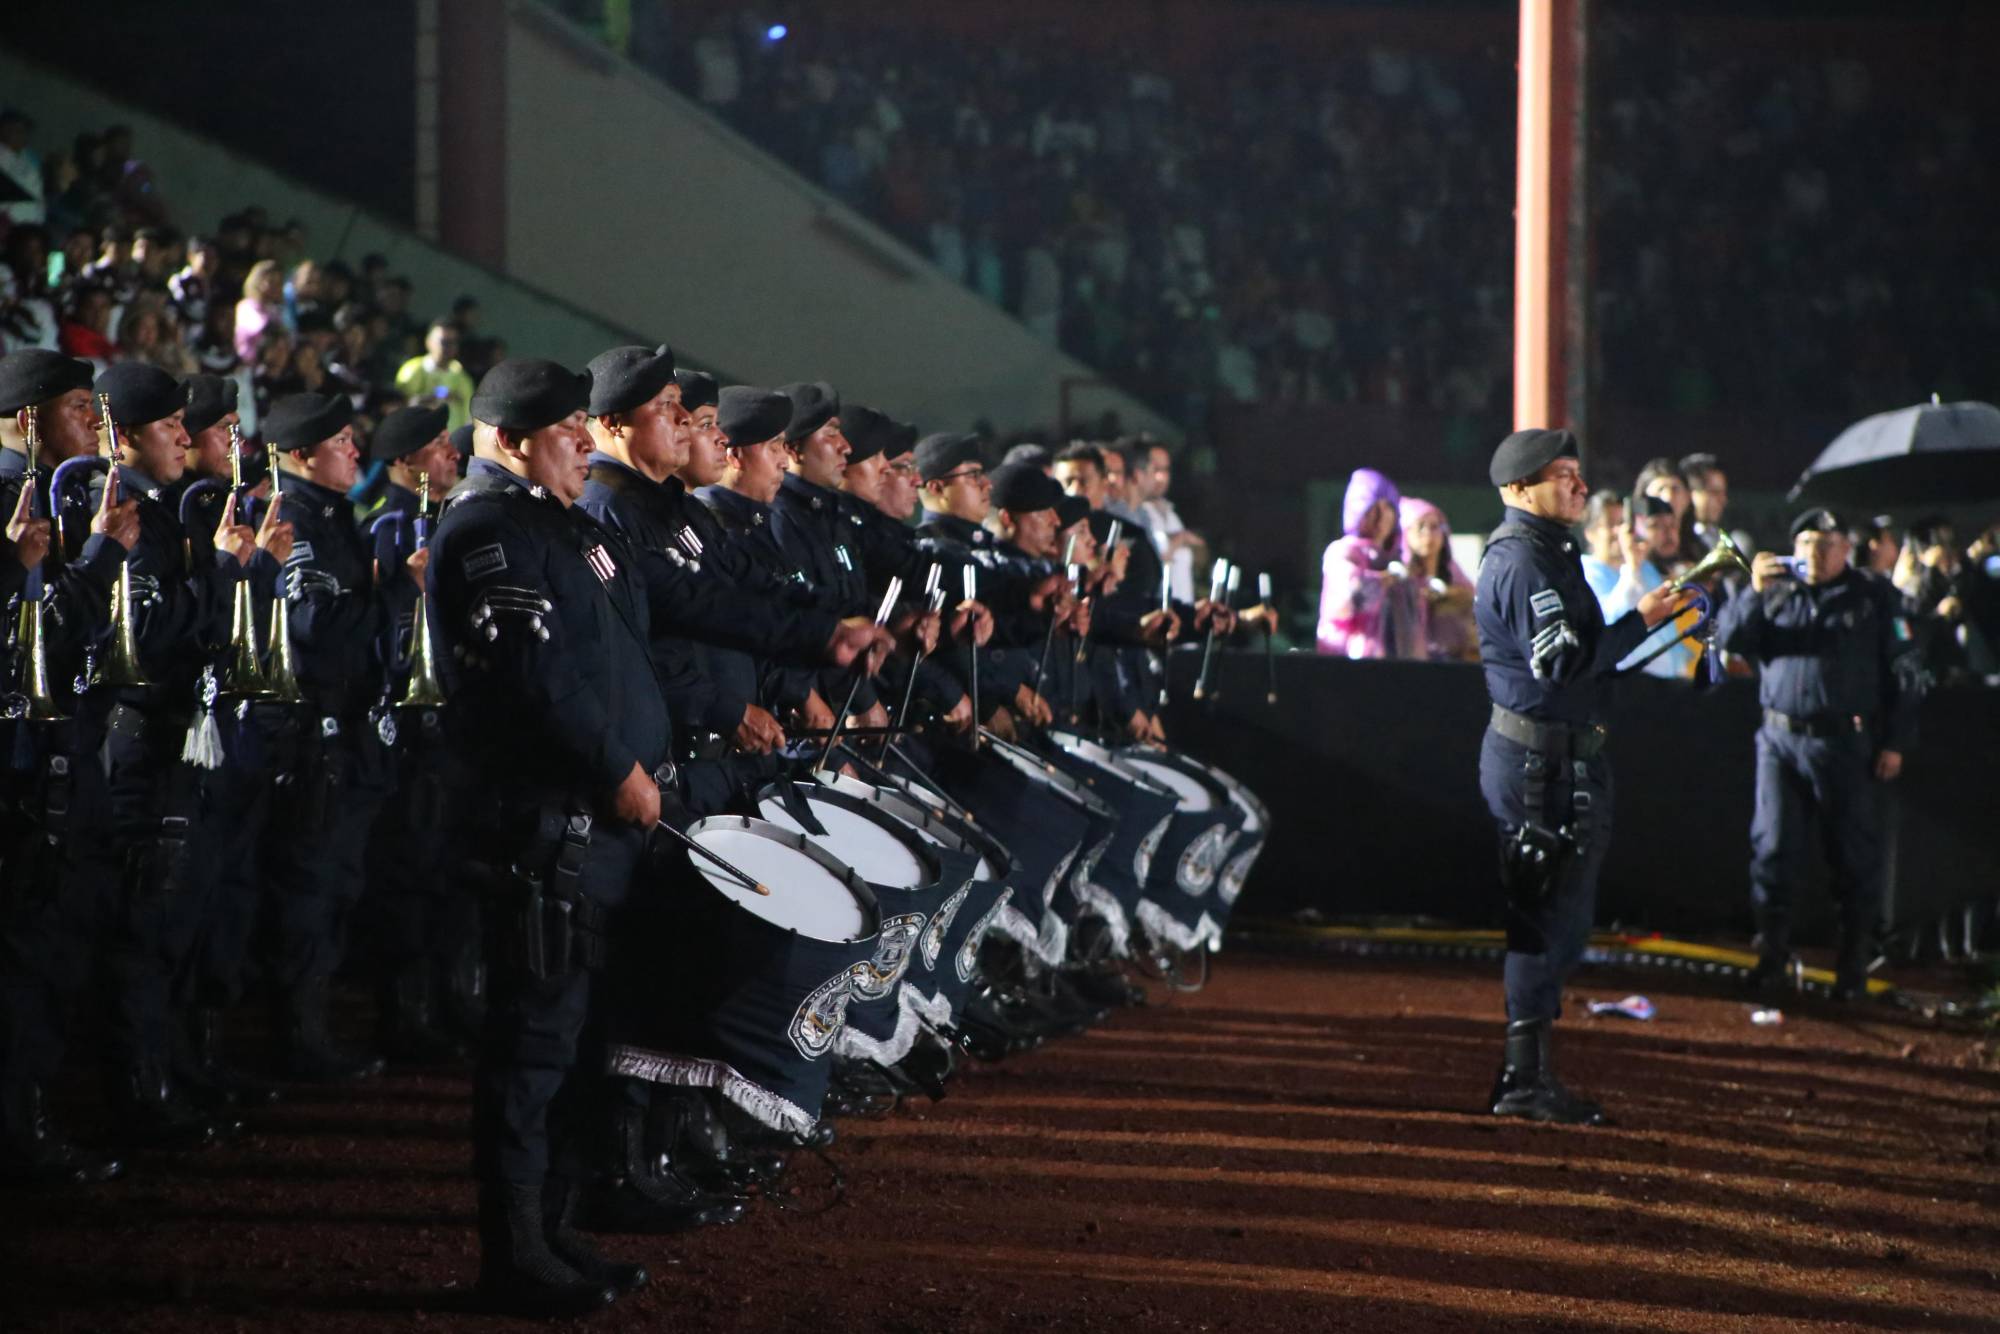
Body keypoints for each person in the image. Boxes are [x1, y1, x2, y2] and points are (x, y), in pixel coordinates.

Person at [428, 357, 658, 1315]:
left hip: (590, 826)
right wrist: (619, 767)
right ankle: (514, 1255)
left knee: (575, 1042)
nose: (586, 444)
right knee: (531, 1045)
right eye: (568, 430)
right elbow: (538, 680)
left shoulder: (556, 524)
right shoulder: (488, 529)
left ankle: (554, 1234)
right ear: (516, 440)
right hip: (542, 827)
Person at [1474, 428, 1690, 1125]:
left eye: (1576, 472)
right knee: (1543, 920)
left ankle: (1528, 1072)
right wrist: (1641, 621)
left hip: (1561, 758)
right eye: (1562, 475)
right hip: (1540, 766)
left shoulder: (1547, 550)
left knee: (1561, 920)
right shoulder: (1523, 560)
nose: (1579, 485)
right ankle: (1523, 1081)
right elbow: (1562, 664)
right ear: (1518, 488)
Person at [261, 390, 421, 1081]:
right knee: (309, 890)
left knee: (338, 887)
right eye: (341, 443)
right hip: (317, 736)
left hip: (352, 733)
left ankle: (314, 1028)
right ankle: (295, 1037)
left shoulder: (333, 516)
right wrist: (399, 594)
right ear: (303, 454)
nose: (357, 452)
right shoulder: (295, 519)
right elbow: (318, 629)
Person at [1717, 509, 1922, 999]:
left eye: (1827, 544)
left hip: (1844, 742)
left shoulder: (1873, 596)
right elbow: (1730, 640)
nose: (1816, 553)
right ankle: (1771, 958)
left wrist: (1896, 741)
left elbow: (1907, 672)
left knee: (1852, 857)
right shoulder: (1776, 592)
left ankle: (1852, 968)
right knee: (1773, 850)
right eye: (1807, 543)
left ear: (1846, 549)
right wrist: (1753, 592)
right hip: (1779, 740)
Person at [1318, 467, 1423, 659]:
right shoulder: (1342, 552)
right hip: (1349, 661)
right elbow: (1350, 597)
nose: (1382, 516)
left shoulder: (1397, 559)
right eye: (1373, 507)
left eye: (1388, 507)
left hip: (1399, 663)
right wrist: (1386, 580)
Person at [1593, 494, 1695, 680]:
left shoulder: (1646, 568)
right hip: (1625, 683)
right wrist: (1632, 568)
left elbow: (1665, 626)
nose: (1620, 531)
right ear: (1590, 533)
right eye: (1611, 524)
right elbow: (1610, 622)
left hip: (1668, 682)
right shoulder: (1586, 573)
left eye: (1623, 522)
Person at [1399, 496, 1476, 662]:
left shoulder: (1455, 575)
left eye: (1434, 527)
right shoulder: (1400, 578)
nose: (1428, 534)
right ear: (1405, 533)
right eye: (1420, 527)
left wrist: (1449, 595)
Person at [394, 320, 477, 431]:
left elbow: (468, 417)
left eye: (454, 342)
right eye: (444, 342)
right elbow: (400, 407)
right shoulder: (412, 370)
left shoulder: (463, 378)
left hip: (451, 439)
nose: (449, 347)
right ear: (428, 342)